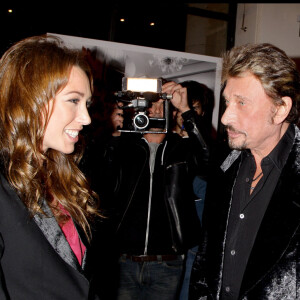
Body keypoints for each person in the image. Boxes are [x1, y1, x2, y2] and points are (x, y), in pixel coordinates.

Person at [189, 43, 300, 300]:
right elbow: (206, 262)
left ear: (280, 109)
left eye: (242, 103)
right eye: (228, 101)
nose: (226, 117)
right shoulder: (225, 162)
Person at [85, 80, 209, 300]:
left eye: (162, 102)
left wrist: (187, 111)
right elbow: (98, 185)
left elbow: (210, 164)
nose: (157, 109)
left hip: (167, 263)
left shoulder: (180, 148)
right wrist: (112, 134)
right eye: (151, 102)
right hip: (123, 262)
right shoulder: (124, 145)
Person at [0, 35, 101, 299]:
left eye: (86, 103)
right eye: (73, 100)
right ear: (31, 97)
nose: (86, 118)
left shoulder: (57, 174)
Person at [171, 81, 214, 300]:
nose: (182, 114)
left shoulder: (207, 145)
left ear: (201, 112)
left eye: (191, 108)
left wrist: (189, 118)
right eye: (178, 108)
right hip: (163, 245)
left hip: (193, 240)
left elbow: (208, 160)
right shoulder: (164, 141)